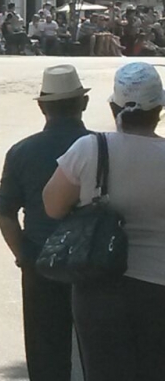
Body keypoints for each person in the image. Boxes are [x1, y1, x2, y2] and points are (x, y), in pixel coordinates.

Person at [43, 62, 165, 381]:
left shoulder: (90, 149)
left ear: (113, 106)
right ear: (160, 108)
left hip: (99, 288)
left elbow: (53, 206)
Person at [0, 65, 91, 381]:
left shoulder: (21, 151)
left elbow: (5, 211)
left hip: (40, 259)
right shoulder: (102, 148)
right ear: (83, 104)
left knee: (45, 353)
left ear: (42, 106)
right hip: (96, 263)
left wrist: (24, 255)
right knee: (98, 354)